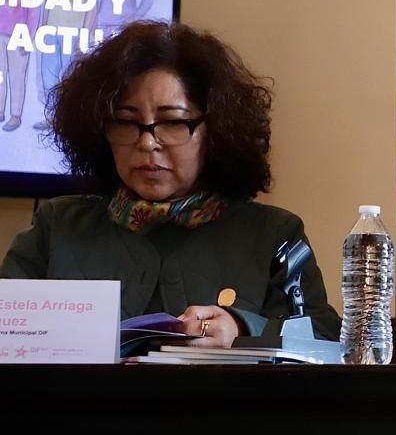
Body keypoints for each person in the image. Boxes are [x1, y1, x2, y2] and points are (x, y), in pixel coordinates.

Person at [0, 21, 340, 346]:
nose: (148, 143)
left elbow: (325, 340)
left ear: (216, 131)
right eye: (126, 122)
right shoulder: (56, 227)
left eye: (173, 122)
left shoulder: (275, 236)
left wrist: (243, 328)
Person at [36, 0, 96, 131]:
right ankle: (52, 118)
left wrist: (84, 37)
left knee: (70, 78)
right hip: (51, 35)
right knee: (48, 78)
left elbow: (91, 10)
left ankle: (69, 121)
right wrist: (43, 30)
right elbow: (47, 6)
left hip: (73, 35)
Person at [0, 0, 40, 132]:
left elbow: (33, 15)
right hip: (0, 34)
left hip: (19, 36)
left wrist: (28, 39)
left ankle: (15, 115)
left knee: (17, 77)